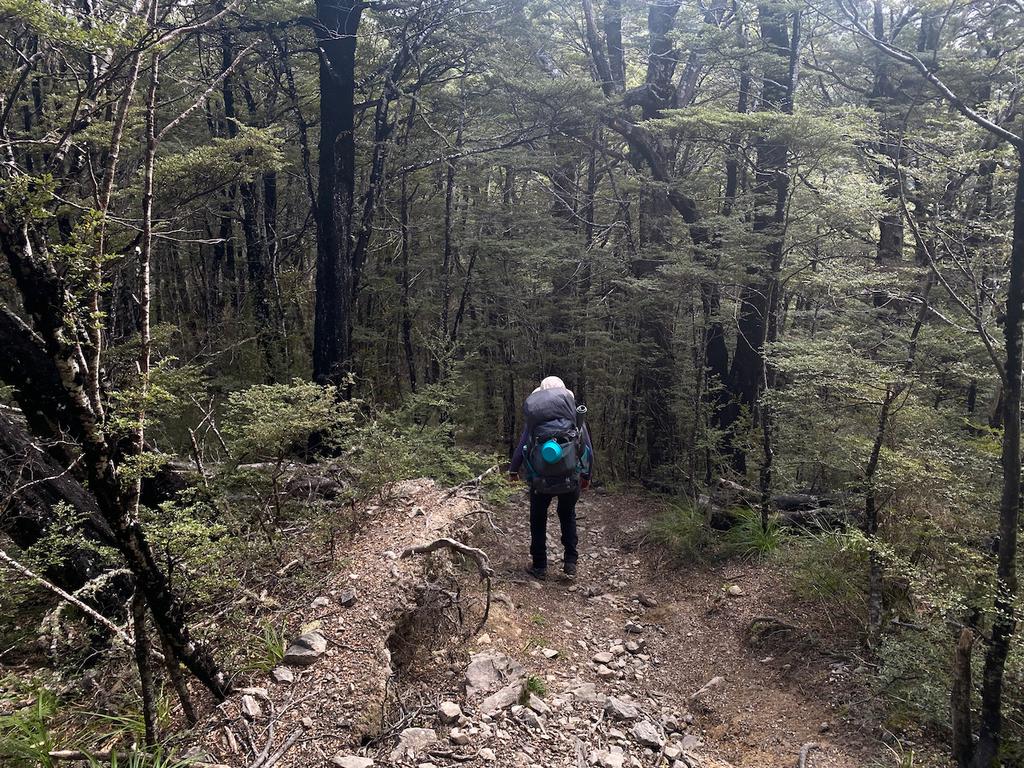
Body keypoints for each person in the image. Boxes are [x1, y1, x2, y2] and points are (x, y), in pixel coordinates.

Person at [509, 376, 593, 580]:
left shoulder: (536, 422)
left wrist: (513, 470)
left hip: (540, 479)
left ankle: (539, 565)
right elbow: (587, 448)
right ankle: (570, 563)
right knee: (567, 514)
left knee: (538, 518)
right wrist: (586, 475)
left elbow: (522, 447)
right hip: (570, 478)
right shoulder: (574, 418)